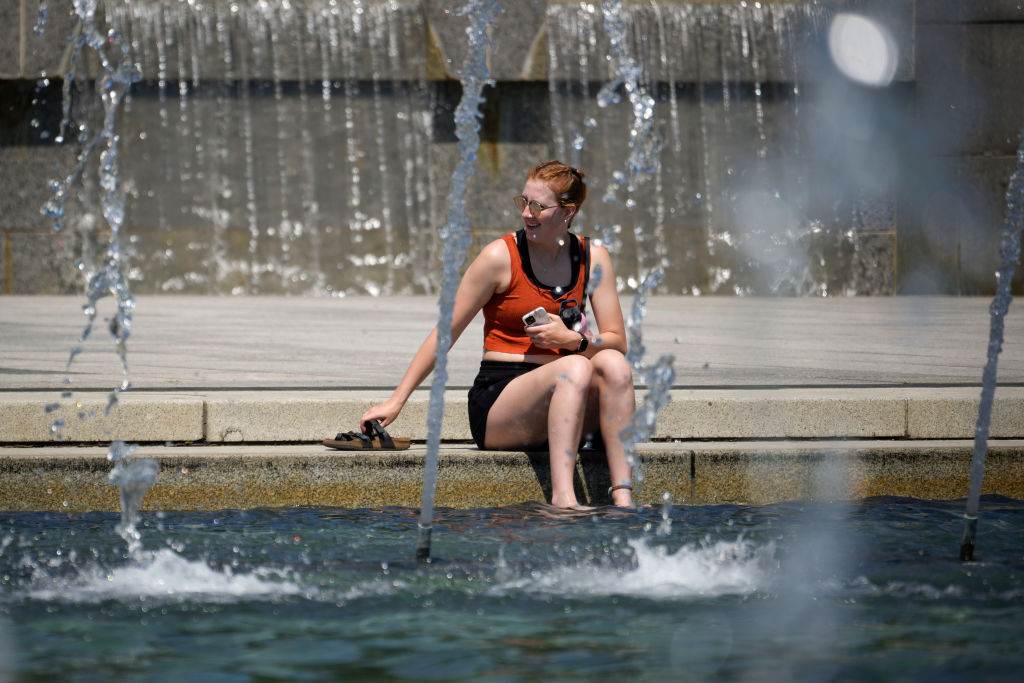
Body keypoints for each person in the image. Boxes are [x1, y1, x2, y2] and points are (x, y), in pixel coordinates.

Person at [359, 160, 636, 508]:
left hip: (568, 392)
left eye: (538, 206)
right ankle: (564, 499)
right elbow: (445, 333)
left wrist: (574, 341)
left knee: (614, 365)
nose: (527, 214)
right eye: (523, 202)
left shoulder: (593, 257)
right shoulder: (499, 257)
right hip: (501, 399)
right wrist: (397, 400)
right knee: (576, 368)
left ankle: (624, 497)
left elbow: (617, 341)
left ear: (568, 211)